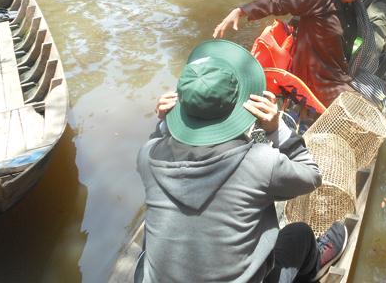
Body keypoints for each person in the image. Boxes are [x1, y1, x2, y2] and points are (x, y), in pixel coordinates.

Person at [136, 39, 348, 283]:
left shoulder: (147, 156)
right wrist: (277, 129)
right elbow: (312, 175)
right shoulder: (260, 161)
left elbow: (158, 139)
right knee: (300, 234)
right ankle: (311, 271)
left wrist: (163, 124)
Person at [214, 0, 386, 109]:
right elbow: (280, 2)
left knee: (381, 95)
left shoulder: (353, 7)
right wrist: (242, 10)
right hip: (315, 78)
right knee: (364, 112)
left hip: (337, 72)